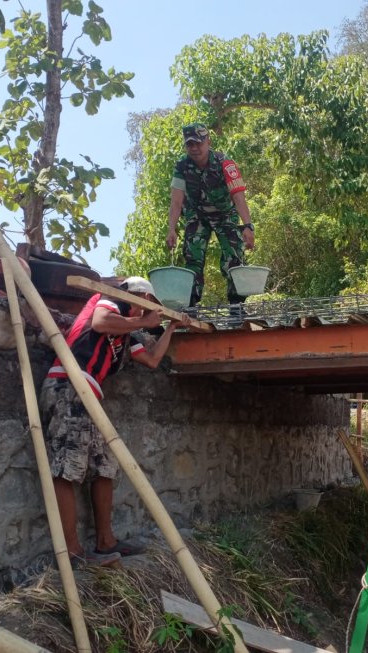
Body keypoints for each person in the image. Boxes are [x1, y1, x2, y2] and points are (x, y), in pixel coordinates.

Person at [39, 277, 187, 566]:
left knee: (104, 467)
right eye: (146, 305)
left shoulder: (127, 334)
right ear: (140, 296)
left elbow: (153, 359)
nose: (145, 311)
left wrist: (170, 327)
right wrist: (143, 323)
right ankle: (72, 553)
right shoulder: (111, 300)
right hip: (68, 385)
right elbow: (100, 323)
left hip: (89, 394)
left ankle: (106, 541)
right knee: (67, 468)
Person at [165, 123, 255, 308]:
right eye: (190, 144)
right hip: (197, 215)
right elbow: (176, 201)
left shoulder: (225, 163)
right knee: (193, 255)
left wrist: (247, 226)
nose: (194, 148)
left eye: (198, 143)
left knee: (233, 255)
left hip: (225, 214)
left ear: (208, 142)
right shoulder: (182, 165)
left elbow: (238, 196)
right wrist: (171, 229)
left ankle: (236, 305)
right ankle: (191, 304)